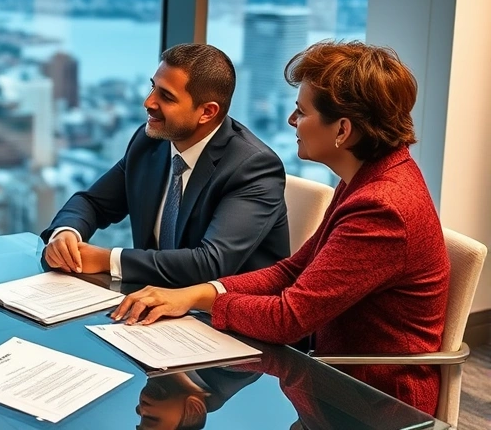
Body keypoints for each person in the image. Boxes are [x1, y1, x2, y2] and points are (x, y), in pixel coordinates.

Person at [112, 41, 450, 415]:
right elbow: (293, 270)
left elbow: (290, 319)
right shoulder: (367, 178)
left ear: (343, 130)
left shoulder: (382, 207)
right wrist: (198, 292)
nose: (292, 121)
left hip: (371, 405)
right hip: (325, 383)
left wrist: (200, 299)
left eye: (301, 112)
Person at [41, 43, 289, 286]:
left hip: (224, 317)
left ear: (207, 112)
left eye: (166, 96)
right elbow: (93, 202)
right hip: (152, 301)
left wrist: (107, 259)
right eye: (153, 87)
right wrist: (66, 234)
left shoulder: (253, 168)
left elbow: (210, 263)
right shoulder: (151, 141)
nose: (148, 102)